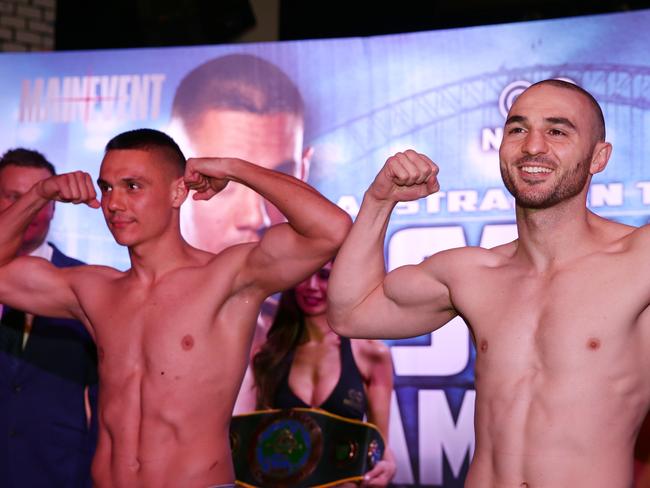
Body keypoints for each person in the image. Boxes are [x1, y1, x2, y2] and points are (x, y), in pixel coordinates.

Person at [328, 79, 650, 487]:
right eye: (517, 129)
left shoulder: (639, 259)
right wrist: (378, 201)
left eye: (557, 130)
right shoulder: (473, 274)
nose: (533, 146)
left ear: (598, 157)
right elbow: (350, 313)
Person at [0, 128, 351, 487]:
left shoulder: (227, 278)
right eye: (107, 187)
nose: (114, 203)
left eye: (133, 186)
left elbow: (331, 230)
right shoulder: (94, 290)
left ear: (178, 190)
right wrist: (39, 195)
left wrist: (236, 169)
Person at [170, 53, 313, 412]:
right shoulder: (132, 303)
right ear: (178, 175)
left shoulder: (315, 324)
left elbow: (335, 231)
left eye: (277, 179)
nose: (255, 216)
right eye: (226, 182)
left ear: (304, 171)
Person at [0, 148, 98, 488]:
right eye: (14, 196)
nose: (26, 209)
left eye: (38, 198)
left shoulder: (85, 284)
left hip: (58, 471)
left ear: (55, 207)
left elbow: (107, 402)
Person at [252, 261, 396, 487]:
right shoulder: (268, 354)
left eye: (324, 276)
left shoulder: (372, 354)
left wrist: (386, 468)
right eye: (304, 275)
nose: (311, 286)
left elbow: (380, 445)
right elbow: (253, 439)